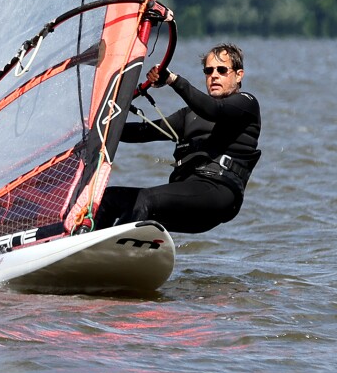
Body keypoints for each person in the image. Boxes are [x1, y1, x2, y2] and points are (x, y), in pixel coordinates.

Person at [94, 43, 261, 234]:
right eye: (209, 70)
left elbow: (214, 109)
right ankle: (82, 247)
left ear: (239, 75)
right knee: (109, 198)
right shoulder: (189, 116)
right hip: (185, 193)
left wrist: (173, 80)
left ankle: (112, 252)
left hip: (218, 192)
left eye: (222, 70)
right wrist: (98, 126)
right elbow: (144, 132)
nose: (214, 75)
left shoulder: (246, 104)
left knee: (145, 199)